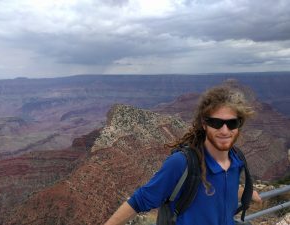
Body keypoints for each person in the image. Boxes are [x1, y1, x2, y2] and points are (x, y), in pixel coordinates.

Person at [104, 85, 262, 225]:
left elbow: (218, 188)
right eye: (216, 123)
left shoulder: (236, 159)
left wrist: (244, 193)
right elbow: (139, 200)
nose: (224, 130)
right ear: (204, 124)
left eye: (232, 123)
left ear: (240, 124)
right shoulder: (182, 163)